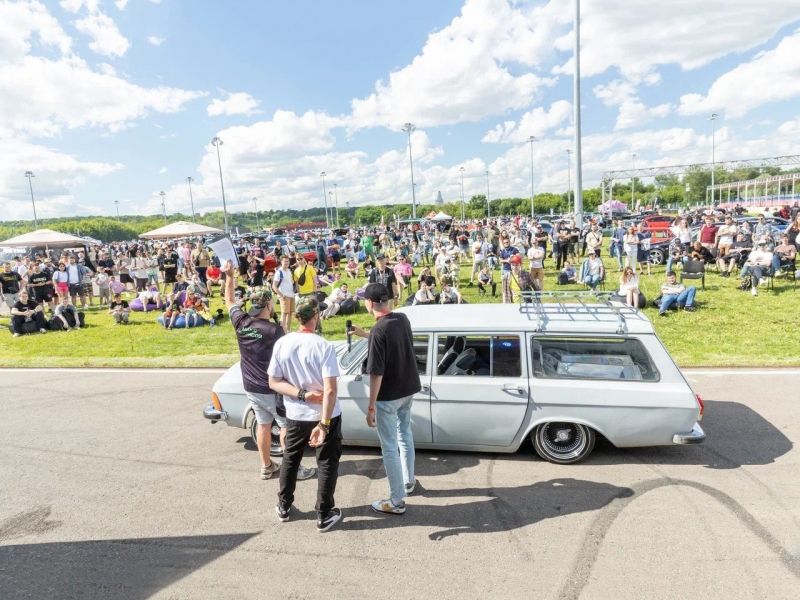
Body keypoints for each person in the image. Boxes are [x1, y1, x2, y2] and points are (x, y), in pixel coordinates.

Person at [222, 261, 317, 483]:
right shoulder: (274, 330)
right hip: (272, 388)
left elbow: (229, 301)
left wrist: (230, 277)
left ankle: (266, 466)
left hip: (251, 386)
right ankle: (293, 469)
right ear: (268, 305)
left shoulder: (241, 321)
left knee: (263, 424)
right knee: (285, 426)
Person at [268, 296, 343, 532]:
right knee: (327, 462)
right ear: (316, 316)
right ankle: (324, 513)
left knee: (291, 459)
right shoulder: (323, 346)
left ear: (297, 317)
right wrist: (324, 424)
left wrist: (302, 395)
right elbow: (330, 390)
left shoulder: (282, 343)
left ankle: (284, 506)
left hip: (296, 414)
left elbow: (274, 382)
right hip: (325, 414)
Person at [347, 283, 421, 515]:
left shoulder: (379, 331)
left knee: (389, 448)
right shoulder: (402, 319)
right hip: (408, 389)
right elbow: (390, 339)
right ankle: (409, 481)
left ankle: (396, 500)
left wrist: (371, 408)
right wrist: (365, 334)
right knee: (404, 434)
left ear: (369, 303)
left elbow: (376, 374)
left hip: (389, 396)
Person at [272, 255, 297, 334]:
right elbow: (274, 286)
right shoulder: (279, 272)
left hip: (291, 295)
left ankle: (287, 330)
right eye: (285, 261)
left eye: (287, 261)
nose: (286, 263)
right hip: (284, 295)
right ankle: (281, 331)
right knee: (284, 313)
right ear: (281, 262)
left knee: (290, 313)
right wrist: (281, 295)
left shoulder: (289, 270)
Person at [498, 236, 519, 304]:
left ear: (509, 242)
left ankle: (515, 297)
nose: (506, 243)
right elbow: (500, 260)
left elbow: (519, 257)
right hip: (506, 270)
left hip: (514, 270)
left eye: (507, 242)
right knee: (506, 286)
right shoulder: (503, 251)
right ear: (503, 244)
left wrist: (513, 258)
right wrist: (506, 261)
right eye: (504, 243)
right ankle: (506, 300)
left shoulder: (514, 249)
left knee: (514, 284)